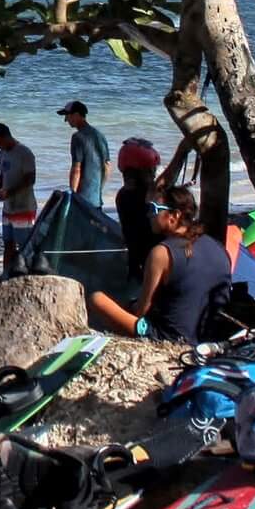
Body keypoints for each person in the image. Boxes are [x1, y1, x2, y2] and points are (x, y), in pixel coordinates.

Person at [88, 186, 231, 345]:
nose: (149, 214)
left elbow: (142, 312)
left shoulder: (162, 253)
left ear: (174, 215)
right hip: (207, 338)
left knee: (97, 299)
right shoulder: (219, 248)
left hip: (167, 338)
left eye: (153, 209)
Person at [0, 123, 39, 277]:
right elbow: (3, 176)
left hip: (24, 208)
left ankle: (28, 275)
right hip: (8, 208)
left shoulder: (24, 153)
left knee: (25, 246)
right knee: (8, 244)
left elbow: (30, 179)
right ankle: (6, 275)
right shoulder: (2, 154)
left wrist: (10, 192)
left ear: (5, 137)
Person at [114, 138, 162, 282]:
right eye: (150, 171)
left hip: (136, 262)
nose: (153, 174)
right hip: (152, 262)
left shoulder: (122, 195)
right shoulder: (147, 195)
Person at [63, 100, 110, 208]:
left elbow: (76, 169)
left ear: (76, 115)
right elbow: (107, 167)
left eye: (67, 116)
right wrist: (99, 189)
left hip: (82, 198)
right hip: (96, 198)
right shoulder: (100, 136)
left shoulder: (78, 137)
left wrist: (73, 194)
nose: (66, 120)